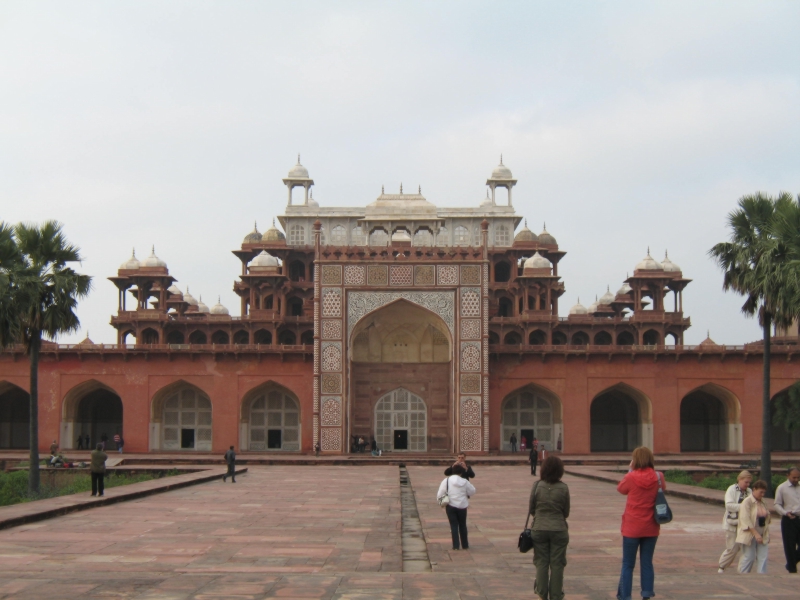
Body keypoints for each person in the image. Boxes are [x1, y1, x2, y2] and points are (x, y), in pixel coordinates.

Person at [616, 446, 665, 600]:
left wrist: (630, 470)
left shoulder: (631, 477)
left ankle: (625, 595)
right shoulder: (658, 477)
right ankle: (646, 594)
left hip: (632, 526)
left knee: (628, 564)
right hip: (651, 525)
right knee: (647, 562)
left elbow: (621, 489)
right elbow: (662, 489)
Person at [529, 455, 570, 600]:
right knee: (557, 564)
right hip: (559, 528)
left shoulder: (536, 486)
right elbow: (566, 512)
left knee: (541, 563)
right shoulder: (564, 488)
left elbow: (531, 509)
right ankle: (556, 596)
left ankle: (541, 594)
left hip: (539, 528)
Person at [718, 470, 752, 573]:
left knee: (746, 548)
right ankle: (722, 566)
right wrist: (744, 507)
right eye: (746, 482)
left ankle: (743, 569)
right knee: (732, 547)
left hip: (745, 524)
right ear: (739, 479)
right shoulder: (732, 489)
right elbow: (729, 505)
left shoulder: (749, 491)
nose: (747, 484)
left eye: (749, 482)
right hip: (732, 523)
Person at [437, 463, 476, 551]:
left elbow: (440, 493)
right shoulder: (465, 482)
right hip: (462, 505)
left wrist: (440, 501)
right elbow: (472, 491)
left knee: (454, 525)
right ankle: (465, 544)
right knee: (462, 525)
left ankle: (456, 546)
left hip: (451, 505)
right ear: (461, 472)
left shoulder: (446, 480)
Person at [737, 479, 771, 574]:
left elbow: (767, 519)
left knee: (763, 557)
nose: (762, 494)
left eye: (764, 492)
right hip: (749, 533)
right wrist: (755, 534)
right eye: (761, 492)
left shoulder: (763, 502)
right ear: (754, 489)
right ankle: (742, 574)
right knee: (749, 556)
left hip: (762, 531)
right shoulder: (747, 502)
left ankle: (762, 575)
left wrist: (765, 533)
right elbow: (746, 520)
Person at [774, 466, 800, 573]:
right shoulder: (782, 488)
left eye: (798, 477)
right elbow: (777, 504)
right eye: (794, 477)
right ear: (788, 476)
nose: (796, 480)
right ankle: (792, 569)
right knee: (789, 545)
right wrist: (785, 513)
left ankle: (790, 563)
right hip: (789, 519)